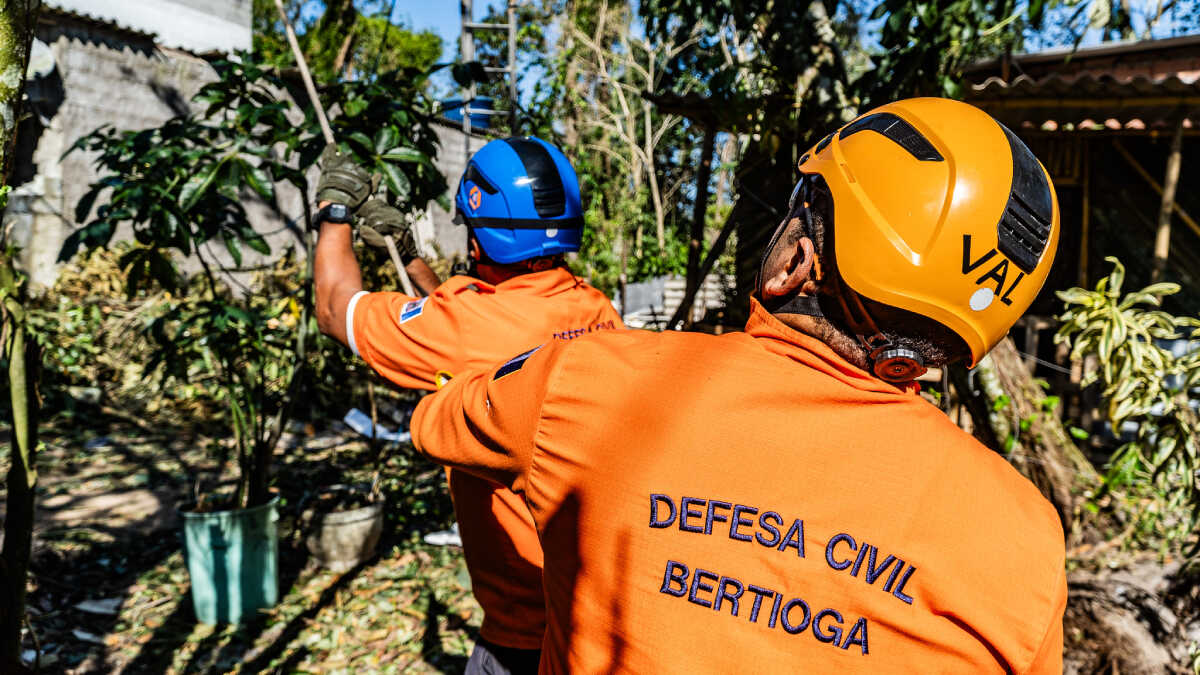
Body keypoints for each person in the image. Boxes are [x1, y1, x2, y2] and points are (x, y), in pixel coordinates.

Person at [410, 98, 1067, 673]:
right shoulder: (1025, 540)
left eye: (793, 208)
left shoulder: (581, 383)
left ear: (796, 262)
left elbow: (440, 418)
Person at [312, 137, 623, 673]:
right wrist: (407, 253)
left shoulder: (461, 329)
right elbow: (473, 318)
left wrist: (334, 210)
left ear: (481, 232)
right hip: (594, 611)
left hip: (522, 633)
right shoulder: (595, 309)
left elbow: (334, 307)